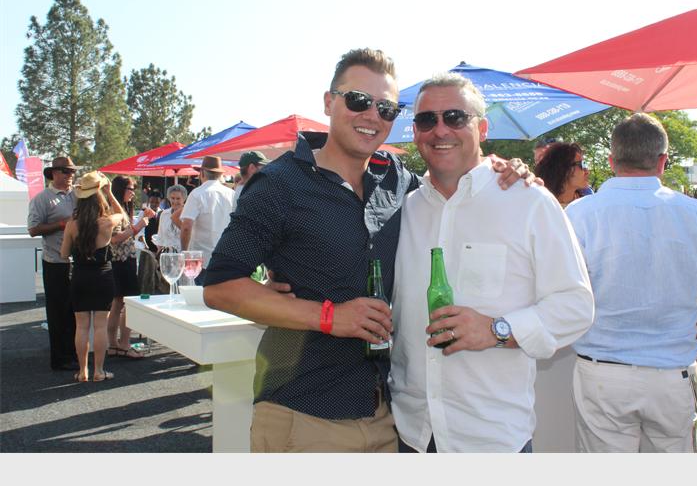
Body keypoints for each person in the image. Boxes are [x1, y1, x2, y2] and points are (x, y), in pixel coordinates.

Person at [202, 48, 532, 453]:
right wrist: (330, 316)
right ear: (329, 102)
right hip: (304, 413)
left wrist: (496, 166)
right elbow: (220, 286)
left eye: (386, 108)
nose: (372, 115)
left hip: (388, 416)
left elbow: (454, 181)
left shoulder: (398, 181)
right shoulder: (279, 185)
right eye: (358, 100)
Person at [388, 74, 594, 453]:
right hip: (411, 432)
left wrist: (497, 329)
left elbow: (575, 306)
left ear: (481, 129)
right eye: (426, 120)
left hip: (491, 438)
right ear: (415, 132)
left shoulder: (529, 201)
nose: (440, 130)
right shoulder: (405, 208)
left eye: (455, 117)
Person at [565, 113, 697, 453]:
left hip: (603, 375)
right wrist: (689, 336)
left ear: (612, 160)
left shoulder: (579, 215)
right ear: (662, 161)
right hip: (670, 374)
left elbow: (561, 296)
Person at [60, 172, 126, 382]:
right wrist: (109, 192)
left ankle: (82, 371)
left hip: (80, 276)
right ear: (99, 197)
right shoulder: (106, 222)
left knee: (81, 326)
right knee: (100, 326)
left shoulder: (72, 224)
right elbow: (122, 214)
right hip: (102, 276)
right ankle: (99, 370)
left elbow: (63, 254)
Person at [27, 156, 79, 371]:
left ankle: (73, 353)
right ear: (54, 173)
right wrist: (61, 224)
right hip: (55, 262)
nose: (71, 175)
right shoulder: (42, 199)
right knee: (58, 312)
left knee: (74, 310)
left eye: (72, 171)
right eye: (66, 171)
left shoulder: (77, 195)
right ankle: (60, 358)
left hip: (77, 261)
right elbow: (33, 229)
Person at [107, 175, 155, 359]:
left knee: (117, 304)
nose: (133, 193)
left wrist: (140, 222)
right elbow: (115, 238)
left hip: (121, 260)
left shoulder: (119, 208)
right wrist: (139, 225)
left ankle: (114, 345)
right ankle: (124, 344)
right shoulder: (114, 209)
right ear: (121, 190)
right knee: (128, 304)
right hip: (122, 260)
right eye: (130, 189)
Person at [179, 155, 235, 285]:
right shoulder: (232, 194)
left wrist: (184, 253)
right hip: (226, 258)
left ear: (202, 173)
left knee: (200, 295)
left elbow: (186, 227)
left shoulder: (197, 194)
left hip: (201, 259)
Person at [535, 142, 591, 207]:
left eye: (584, 163)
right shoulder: (542, 204)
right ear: (563, 169)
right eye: (581, 164)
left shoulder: (588, 202)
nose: (587, 171)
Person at [155, 184, 188, 253]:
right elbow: (160, 238)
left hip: (182, 254)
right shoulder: (164, 214)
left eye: (178, 198)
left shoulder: (189, 214)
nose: (175, 201)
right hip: (166, 254)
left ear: (184, 199)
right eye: (172, 198)